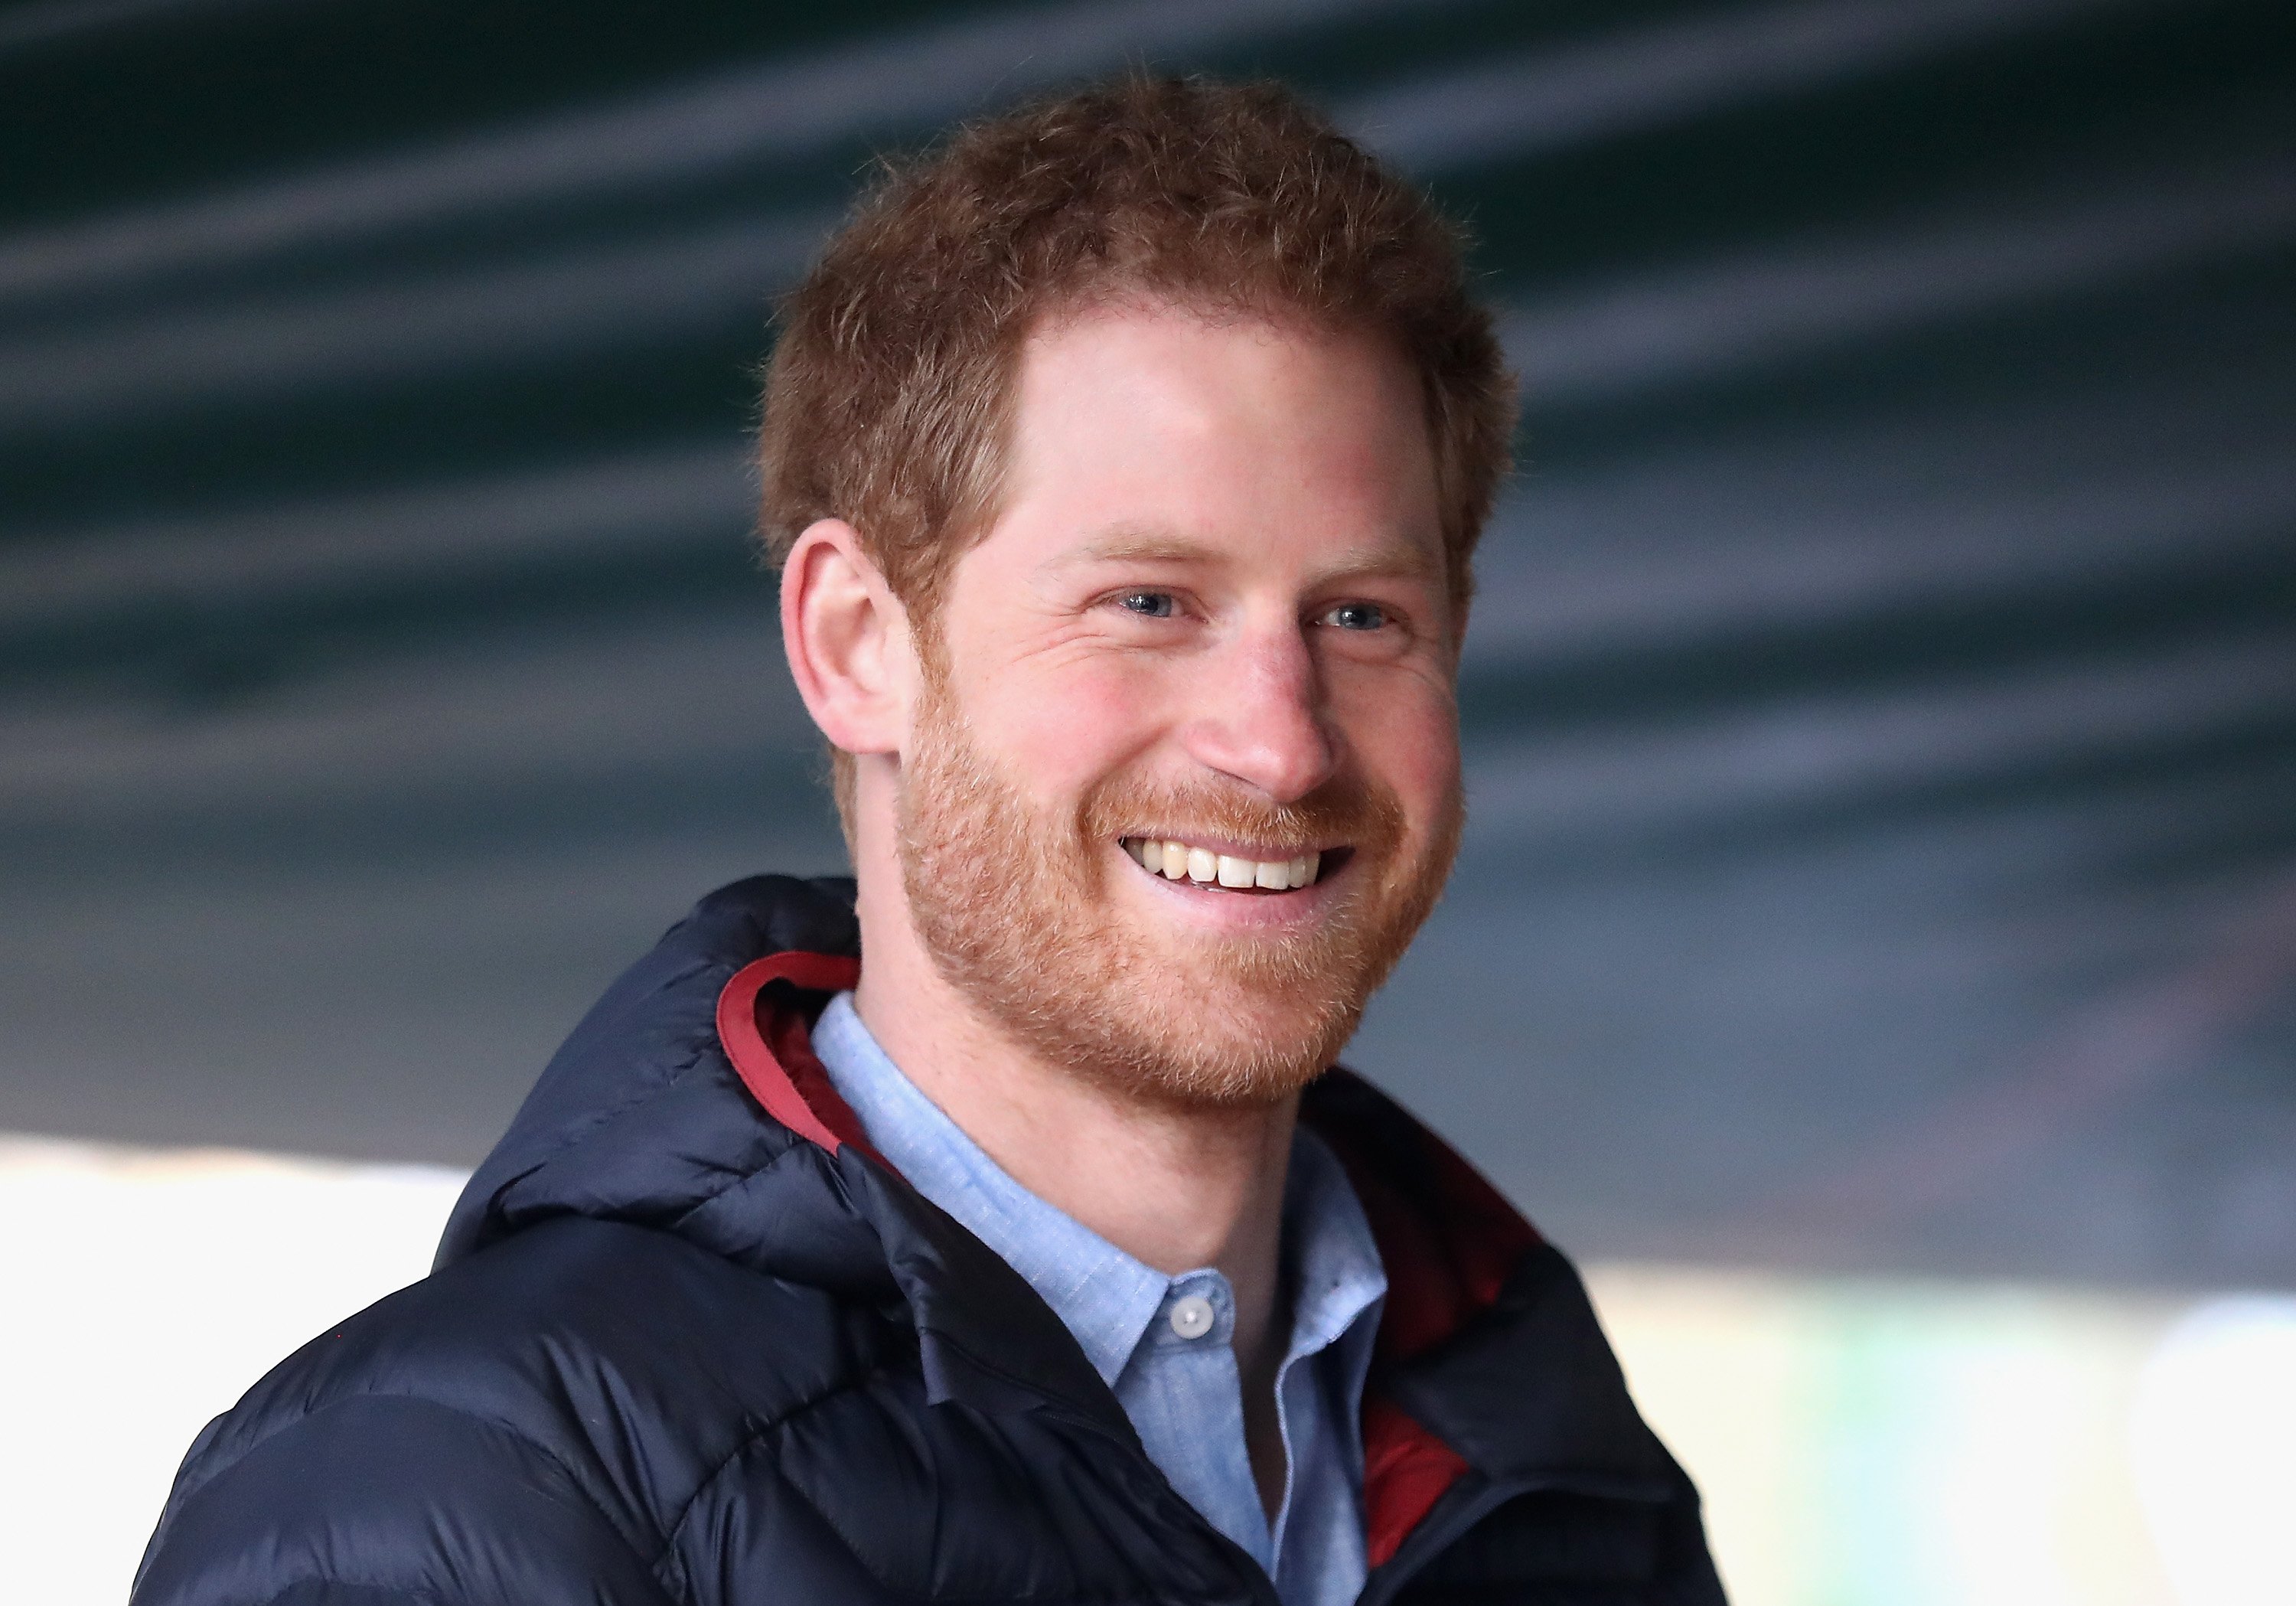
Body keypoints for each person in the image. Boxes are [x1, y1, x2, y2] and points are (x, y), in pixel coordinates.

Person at [134, 76, 1724, 1606]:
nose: (1282, 736)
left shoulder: (1567, 1473)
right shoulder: (449, 1492)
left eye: (1362, 615)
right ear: (853, 643)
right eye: (1149, 602)